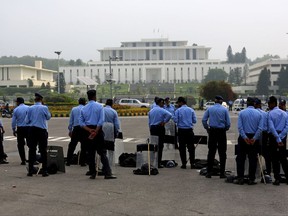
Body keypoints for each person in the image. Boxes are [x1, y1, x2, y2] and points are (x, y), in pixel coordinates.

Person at [79, 90, 116, 180]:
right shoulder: (100, 107)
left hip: (88, 131)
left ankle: (92, 173)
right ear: (95, 97)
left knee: (90, 153)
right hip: (97, 131)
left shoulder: (83, 108)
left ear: (88, 97)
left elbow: (81, 122)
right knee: (102, 152)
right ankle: (107, 173)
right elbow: (101, 120)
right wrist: (95, 131)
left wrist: (89, 130)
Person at [234, 97, 263, 185]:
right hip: (254, 138)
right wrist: (254, 138)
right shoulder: (259, 114)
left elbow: (240, 127)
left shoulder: (242, 113)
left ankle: (240, 178)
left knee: (241, 158)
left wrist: (245, 137)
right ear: (254, 104)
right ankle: (251, 179)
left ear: (246, 103)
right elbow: (260, 128)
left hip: (244, 138)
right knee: (252, 159)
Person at [202, 95, 230, 178]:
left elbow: (204, 120)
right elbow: (228, 123)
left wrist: (207, 128)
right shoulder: (224, 110)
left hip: (212, 131)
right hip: (221, 131)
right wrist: (225, 128)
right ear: (221, 101)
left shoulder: (210, 109)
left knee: (211, 152)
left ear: (215, 101)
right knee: (222, 153)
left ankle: (209, 172)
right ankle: (222, 173)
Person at [26, 93, 51, 177]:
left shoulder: (30, 108)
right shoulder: (44, 108)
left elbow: (27, 120)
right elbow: (48, 117)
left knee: (32, 149)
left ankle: (30, 170)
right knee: (43, 150)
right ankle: (44, 171)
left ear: (34, 100)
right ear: (41, 100)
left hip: (32, 130)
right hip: (41, 130)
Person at [267, 96, 288, 186]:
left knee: (274, 159)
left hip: (273, 137)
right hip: (282, 136)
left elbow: (271, 127)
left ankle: (277, 178)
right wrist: (281, 137)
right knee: (283, 158)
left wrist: (277, 138)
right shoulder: (284, 114)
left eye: (269, 103)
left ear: (273, 103)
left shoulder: (270, 114)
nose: (268, 105)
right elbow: (287, 127)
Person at [148, 97, 172, 168]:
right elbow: (169, 115)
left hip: (152, 128)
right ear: (160, 103)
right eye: (163, 103)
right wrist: (164, 121)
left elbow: (149, 122)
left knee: (153, 145)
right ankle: (158, 163)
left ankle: (152, 162)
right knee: (160, 145)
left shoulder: (151, 111)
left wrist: (150, 128)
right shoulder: (161, 110)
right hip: (159, 128)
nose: (164, 104)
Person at [174, 96, 197, 169]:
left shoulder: (178, 111)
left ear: (181, 102)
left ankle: (184, 164)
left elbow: (175, 120)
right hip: (189, 131)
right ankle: (192, 163)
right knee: (191, 148)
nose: (177, 104)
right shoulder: (191, 110)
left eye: (178, 103)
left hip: (181, 131)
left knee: (182, 148)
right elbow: (194, 121)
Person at [66, 98, 87, 166]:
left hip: (76, 128)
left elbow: (71, 120)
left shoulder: (74, 109)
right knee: (84, 146)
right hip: (84, 129)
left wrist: (70, 130)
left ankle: (68, 161)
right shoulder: (86, 109)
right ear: (84, 102)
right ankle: (82, 162)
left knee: (72, 145)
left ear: (78, 102)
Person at [254, 98, 271, 176]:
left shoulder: (253, 113)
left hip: (254, 135)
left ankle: (254, 171)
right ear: (260, 104)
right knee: (266, 154)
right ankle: (268, 171)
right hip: (264, 134)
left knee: (253, 154)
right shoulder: (265, 113)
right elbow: (268, 126)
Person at [11, 97, 29, 165]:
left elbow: (13, 121)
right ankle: (32, 159)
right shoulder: (29, 108)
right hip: (28, 128)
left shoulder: (16, 109)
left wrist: (13, 129)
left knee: (20, 145)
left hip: (20, 129)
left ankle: (23, 160)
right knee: (31, 144)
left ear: (18, 102)